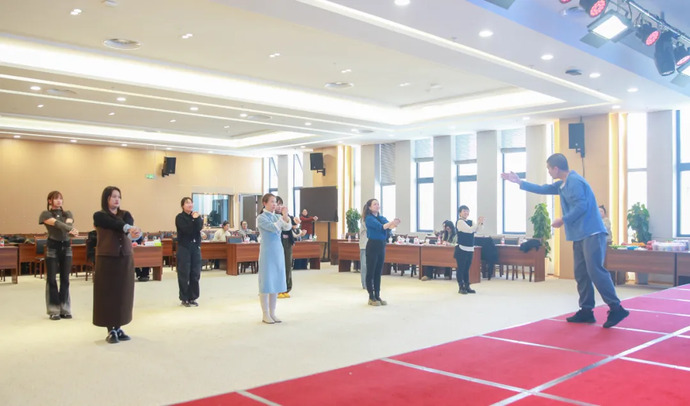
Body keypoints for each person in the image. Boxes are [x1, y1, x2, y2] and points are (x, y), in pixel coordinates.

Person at [502, 153, 629, 328]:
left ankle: (616, 308)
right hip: (580, 235)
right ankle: (586, 310)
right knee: (581, 273)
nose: (548, 172)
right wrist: (519, 182)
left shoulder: (574, 182)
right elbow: (543, 189)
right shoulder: (562, 184)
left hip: (592, 232)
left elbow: (581, 206)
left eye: (549, 169)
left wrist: (562, 220)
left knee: (595, 271)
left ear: (556, 168)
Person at [93, 186, 141, 344]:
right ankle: (110, 329)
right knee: (108, 294)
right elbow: (113, 223)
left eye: (119, 197)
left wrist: (134, 232)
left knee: (123, 293)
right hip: (107, 258)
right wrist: (127, 227)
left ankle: (119, 327)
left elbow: (128, 228)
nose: (117, 199)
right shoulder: (99, 216)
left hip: (124, 257)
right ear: (106, 198)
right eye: (113, 196)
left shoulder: (126, 214)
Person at [39, 191, 79, 320]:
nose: (59, 201)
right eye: (56, 199)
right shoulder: (46, 214)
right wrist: (70, 229)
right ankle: (53, 310)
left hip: (66, 247)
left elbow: (68, 224)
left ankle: (65, 308)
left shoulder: (67, 213)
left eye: (61, 198)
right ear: (50, 201)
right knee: (51, 278)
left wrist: (71, 230)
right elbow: (57, 224)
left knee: (65, 278)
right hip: (52, 246)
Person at [256, 193, 292, 323]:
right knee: (267, 282)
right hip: (267, 252)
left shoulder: (277, 216)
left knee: (275, 282)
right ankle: (265, 314)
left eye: (275, 202)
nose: (274, 204)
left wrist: (285, 216)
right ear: (264, 203)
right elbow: (273, 227)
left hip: (278, 251)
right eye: (272, 201)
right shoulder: (261, 218)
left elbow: (287, 227)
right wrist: (282, 218)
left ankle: (272, 313)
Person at [364, 198, 400, 306]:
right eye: (374, 204)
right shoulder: (369, 218)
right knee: (371, 271)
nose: (377, 206)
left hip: (381, 245)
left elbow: (389, 226)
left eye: (378, 204)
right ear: (370, 207)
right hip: (372, 245)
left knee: (378, 272)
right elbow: (381, 227)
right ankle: (371, 296)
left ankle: (377, 295)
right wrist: (391, 223)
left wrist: (395, 223)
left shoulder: (381, 217)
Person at [176, 197, 203, 307]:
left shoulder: (196, 216)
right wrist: (193, 220)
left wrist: (196, 218)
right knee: (184, 273)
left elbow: (199, 227)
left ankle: (193, 297)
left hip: (195, 247)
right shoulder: (180, 217)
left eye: (191, 202)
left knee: (195, 273)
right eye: (187, 203)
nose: (190, 204)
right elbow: (187, 230)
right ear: (182, 206)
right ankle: (184, 298)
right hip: (184, 247)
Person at [455, 207, 484, 294]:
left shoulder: (471, 221)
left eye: (467, 211)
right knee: (461, 268)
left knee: (467, 268)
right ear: (460, 213)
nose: (466, 213)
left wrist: (481, 223)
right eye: (464, 211)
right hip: (461, 248)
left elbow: (478, 230)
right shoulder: (460, 222)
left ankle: (467, 286)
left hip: (470, 248)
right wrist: (477, 223)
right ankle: (461, 286)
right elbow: (469, 230)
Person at [276, 196, 300, 299]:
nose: (279, 206)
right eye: (277, 204)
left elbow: (294, 222)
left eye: (280, 204)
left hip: (287, 242)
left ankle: (286, 288)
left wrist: (295, 220)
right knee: (278, 266)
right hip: (278, 242)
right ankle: (278, 288)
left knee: (287, 265)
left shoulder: (287, 215)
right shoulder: (271, 216)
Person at [358, 210, 368, 289]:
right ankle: (365, 283)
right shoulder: (364, 220)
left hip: (372, 244)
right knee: (364, 265)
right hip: (364, 245)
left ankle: (370, 282)